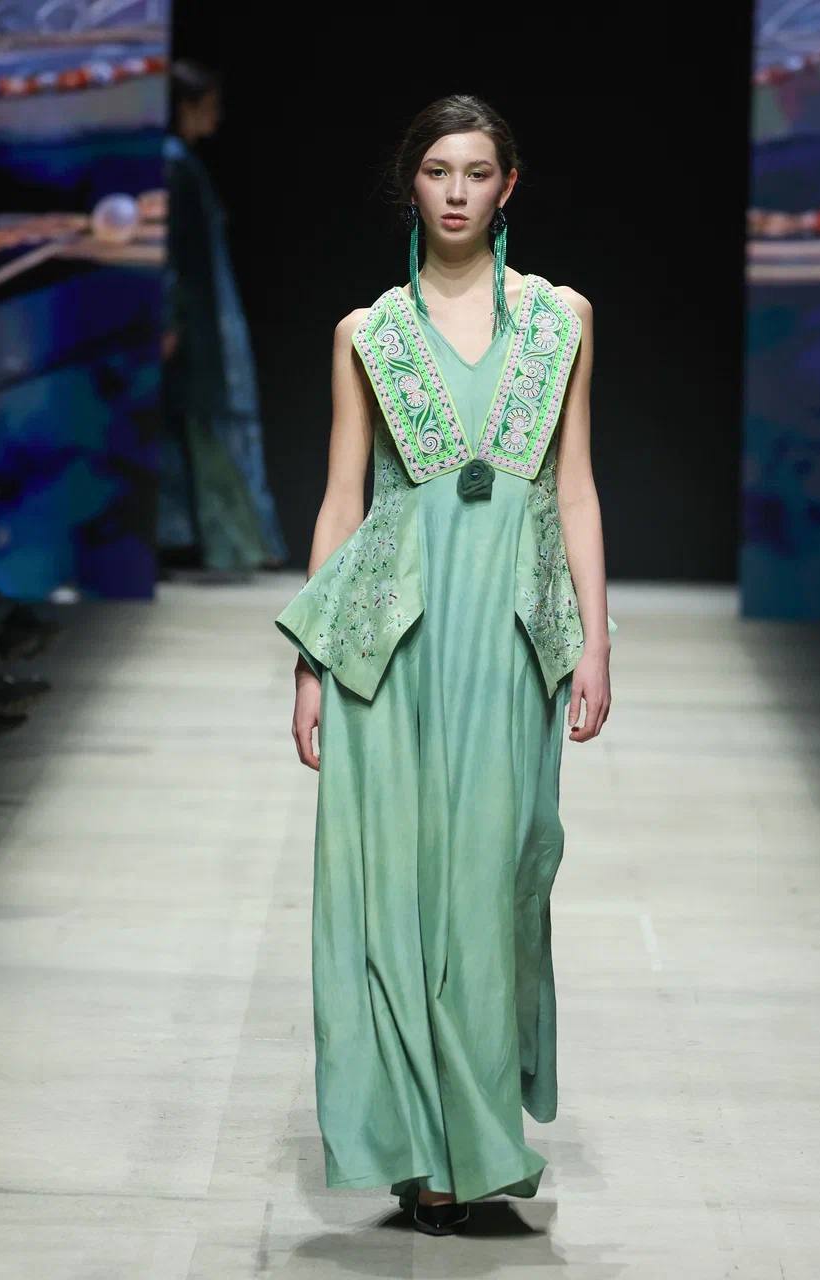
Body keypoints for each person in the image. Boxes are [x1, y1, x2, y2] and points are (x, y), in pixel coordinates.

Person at [273, 94, 617, 1237]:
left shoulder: (561, 319)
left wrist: (596, 639)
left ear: (507, 185)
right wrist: (310, 663)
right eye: (436, 171)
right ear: (410, 185)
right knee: (397, 889)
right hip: (392, 640)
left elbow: (574, 485)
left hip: (511, 632)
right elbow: (342, 496)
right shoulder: (365, 334)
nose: (457, 191)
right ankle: (431, 1155)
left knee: (493, 872)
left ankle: (467, 1135)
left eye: (477, 171)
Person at [158, 58, 288, 574]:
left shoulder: (181, 162)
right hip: (196, 315)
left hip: (204, 310)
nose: (215, 116)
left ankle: (221, 540)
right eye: (207, 105)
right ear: (184, 107)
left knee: (204, 421)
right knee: (201, 422)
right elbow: (171, 251)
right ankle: (215, 540)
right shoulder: (173, 163)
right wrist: (169, 318)